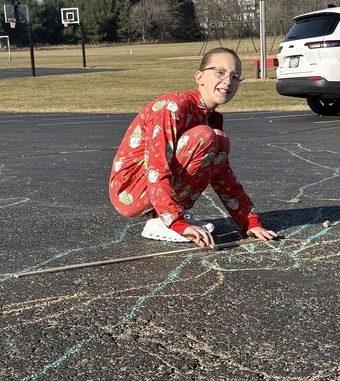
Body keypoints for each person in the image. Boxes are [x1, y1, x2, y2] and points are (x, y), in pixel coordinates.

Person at [109, 47, 279, 248]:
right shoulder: (172, 108)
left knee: (218, 139)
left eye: (235, 76)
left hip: (151, 189)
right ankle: (165, 220)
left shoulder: (210, 117)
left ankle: (168, 213)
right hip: (131, 191)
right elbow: (157, 167)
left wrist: (248, 221)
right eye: (219, 72)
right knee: (205, 137)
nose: (227, 81)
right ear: (199, 77)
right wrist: (177, 223)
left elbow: (222, 174)